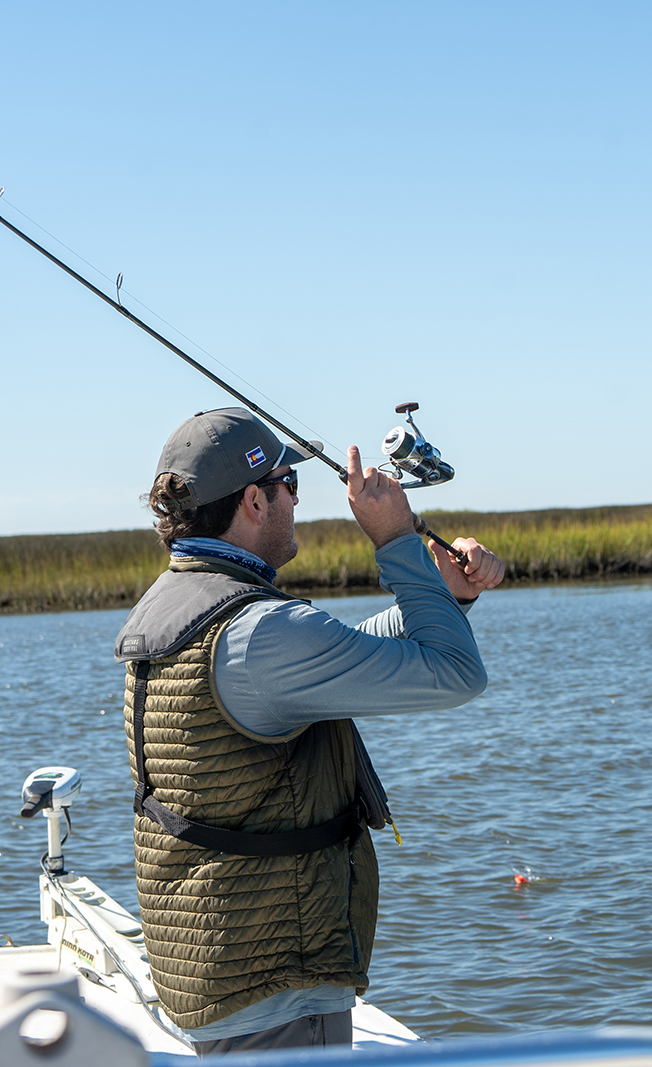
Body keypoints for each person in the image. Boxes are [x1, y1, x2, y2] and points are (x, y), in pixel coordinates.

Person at [114, 407, 504, 1055]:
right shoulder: (262, 631)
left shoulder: (176, 605)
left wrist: (441, 594)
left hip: (221, 969)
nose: (297, 500)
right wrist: (398, 541)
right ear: (254, 502)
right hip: (278, 984)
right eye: (290, 485)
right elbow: (456, 672)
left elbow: (342, 656)